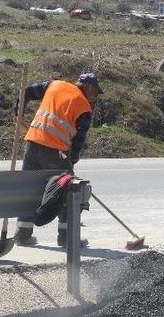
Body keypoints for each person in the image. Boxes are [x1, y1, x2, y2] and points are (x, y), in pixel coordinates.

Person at [13, 72, 102, 246]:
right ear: (89, 87)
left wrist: (18, 112)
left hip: (32, 144)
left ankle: (23, 234)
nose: (95, 96)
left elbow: (26, 92)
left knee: (29, 189)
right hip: (56, 151)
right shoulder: (84, 107)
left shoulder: (54, 85)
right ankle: (66, 237)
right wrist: (71, 162)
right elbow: (78, 142)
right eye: (96, 92)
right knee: (67, 190)